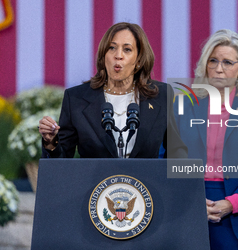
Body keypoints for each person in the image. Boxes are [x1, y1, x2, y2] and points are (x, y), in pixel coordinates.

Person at [174, 29, 238, 250]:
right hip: (188, 208)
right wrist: (194, 199)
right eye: (213, 61)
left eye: (227, 62)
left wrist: (233, 203)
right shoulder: (182, 106)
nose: (219, 68)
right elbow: (167, 160)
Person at [38, 22, 187, 159]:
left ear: (139, 61)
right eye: (112, 48)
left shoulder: (161, 95)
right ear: (104, 56)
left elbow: (175, 151)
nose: (118, 55)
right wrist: (51, 142)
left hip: (146, 186)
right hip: (95, 186)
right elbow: (61, 163)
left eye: (127, 49)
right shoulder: (76, 99)